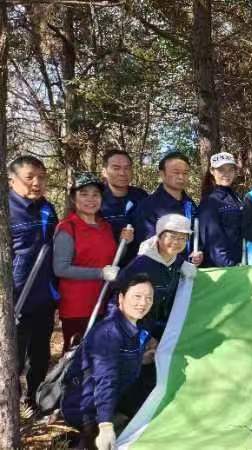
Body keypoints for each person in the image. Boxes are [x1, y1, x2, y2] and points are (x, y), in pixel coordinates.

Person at [64, 274, 156, 450]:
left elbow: (121, 360)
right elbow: (105, 379)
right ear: (121, 298)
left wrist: (143, 359)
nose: (143, 303)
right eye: (137, 296)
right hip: (88, 406)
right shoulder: (108, 333)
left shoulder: (136, 325)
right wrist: (105, 425)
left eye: (148, 298)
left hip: (115, 398)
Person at [53, 173, 133, 354]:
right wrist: (100, 273)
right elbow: (61, 268)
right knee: (76, 356)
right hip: (77, 307)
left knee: (101, 355)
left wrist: (125, 243)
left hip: (105, 302)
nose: (91, 199)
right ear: (73, 198)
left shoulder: (105, 226)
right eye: (84, 194)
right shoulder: (67, 228)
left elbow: (112, 260)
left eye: (95, 194)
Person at [8, 155, 59, 410]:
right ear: (11, 180)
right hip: (15, 297)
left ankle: (33, 399)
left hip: (44, 295)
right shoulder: (6, 210)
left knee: (39, 354)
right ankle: (11, 403)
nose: (37, 183)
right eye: (30, 177)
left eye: (41, 177)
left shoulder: (48, 209)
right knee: (12, 356)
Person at [117, 214, 201, 341]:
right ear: (159, 236)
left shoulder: (175, 261)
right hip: (135, 333)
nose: (176, 242)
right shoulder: (141, 266)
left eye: (182, 238)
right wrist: (141, 336)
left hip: (160, 328)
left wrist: (184, 265)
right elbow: (118, 305)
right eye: (171, 236)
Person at [133, 151, 197, 253]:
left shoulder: (190, 204)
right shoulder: (149, 206)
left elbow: (195, 237)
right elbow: (147, 246)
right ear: (162, 174)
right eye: (176, 172)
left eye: (185, 173)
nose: (181, 177)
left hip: (189, 262)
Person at [100, 150, 148, 265]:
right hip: (105, 267)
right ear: (104, 172)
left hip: (139, 265)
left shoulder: (141, 196)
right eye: (116, 168)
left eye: (127, 168)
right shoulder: (95, 199)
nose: (122, 173)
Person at [198, 152, 244, 267]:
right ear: (212, 171)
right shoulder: (210, 201)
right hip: (222, 269)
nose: (226, 174)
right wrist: (229, 267)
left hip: (238, 264)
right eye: (221, 170)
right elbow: (213, 243)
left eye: (230, 169)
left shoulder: (235, 198)